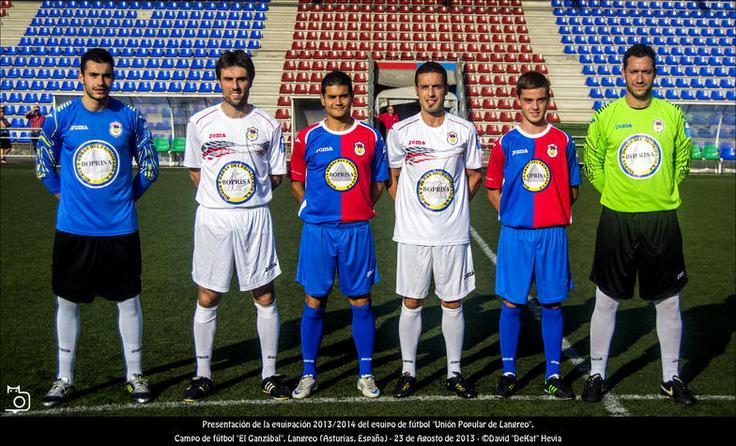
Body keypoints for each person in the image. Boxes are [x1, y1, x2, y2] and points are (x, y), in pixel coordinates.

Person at [35, 48, 159, 407]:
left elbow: (150, 166)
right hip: (73, 230)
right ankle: (64, 377)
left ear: (113, 77)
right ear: (81, 77)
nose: (100, 82)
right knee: (67, 302)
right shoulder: (60, 119)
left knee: (129, 301)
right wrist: (60, 194)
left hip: (120, 230)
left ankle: (135, 374)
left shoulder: (131, 117)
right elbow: (44, 163)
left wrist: (126, 199)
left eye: (106, 75)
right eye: (93, 75)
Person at [582, 43, 696, 405]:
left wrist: (661, 191)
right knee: (607, 300)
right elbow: (593, 161)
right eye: (634, 71)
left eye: (646, 71)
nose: (640, 78)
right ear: (624, 73)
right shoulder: (607, 116)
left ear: (654, 73)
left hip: (661, 219)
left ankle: (671, 377)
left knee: (668, 303)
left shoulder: (671, 115)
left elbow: (682, 159)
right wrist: (614, 192)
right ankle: (597, 374)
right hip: (617, 219)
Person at [181, 49, 291, 401]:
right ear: (220, 81)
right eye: (228, 79)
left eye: (241, 79)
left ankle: (270, 374)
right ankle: (202, 374)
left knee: (263, 293)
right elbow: (196, 171)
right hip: (213, 218)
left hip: (255, 218)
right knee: (208, 294)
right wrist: (222, 198)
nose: (235, 85)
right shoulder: (201, 123)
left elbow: (275, 175)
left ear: (250, 81)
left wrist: (246, 198)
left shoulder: (269, 125)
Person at [289, 70, 389, 399]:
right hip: (318, 230)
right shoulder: (307, 138)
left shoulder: (371, 137)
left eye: (343, 96)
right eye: (331, 97)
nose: (337, 102)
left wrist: (360, 208)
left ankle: (365, 373)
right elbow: (296, 181)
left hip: (357, 230)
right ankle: (308, 372)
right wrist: (309, 208)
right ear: (322, 99)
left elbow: (378, 182)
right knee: (315, 298)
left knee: (360, 299)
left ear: (352, 97)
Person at [387, 61, 483, 399]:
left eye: (437, 86)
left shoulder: (465, 129)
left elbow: (474, 173)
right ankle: (408, 371)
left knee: (452, 302)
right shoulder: (401, 131)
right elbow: (393, 179)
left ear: (447, 90)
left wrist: (453, 206)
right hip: (413, 235)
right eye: (425, 86)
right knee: (411, 301)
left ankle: (454, 372)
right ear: (417, 90)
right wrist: (413, 209)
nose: (431, 93)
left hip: (452, 233)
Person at [485, 71, 581, 400]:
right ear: (518, 101)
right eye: (528, 100)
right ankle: (509, 371)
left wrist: (552, 211)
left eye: (540, 100)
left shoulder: (563, 141)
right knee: (512, 303)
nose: (535, 106)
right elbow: (492, 189)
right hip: (516, 235)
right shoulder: (505, 143)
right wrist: (513, 215)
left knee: (552, 303)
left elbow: (573, 189)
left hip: (553, 234)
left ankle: (553, 374)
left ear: (548, 98)